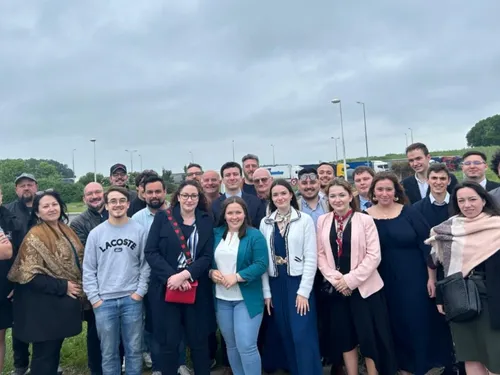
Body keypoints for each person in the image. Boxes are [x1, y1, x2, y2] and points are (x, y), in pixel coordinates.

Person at [366, 172, 454, 375]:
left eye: (389, 189)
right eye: (380, 189)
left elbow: (427, 247)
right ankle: (401, 367)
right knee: (392, 323)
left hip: (414, 277)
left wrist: (431, 278)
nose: (385, 193)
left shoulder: (409, 212)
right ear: (373, 193)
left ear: (396, 192)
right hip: (382, 279)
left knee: (417, 320)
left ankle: (422, 365)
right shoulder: (364, 217)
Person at [317, 179, 397, 375]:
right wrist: (336, 280)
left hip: (365, 290)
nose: (337, 199)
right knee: (345, 339)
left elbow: (374, 255)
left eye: (341, 195)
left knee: (369, 339)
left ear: (350, 196)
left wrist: (350, 280)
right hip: (338, 291)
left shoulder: (365, 219)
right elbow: (320, 254)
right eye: (333, 196)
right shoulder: (323, 221)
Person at [426, 181, 500, 375]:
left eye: (472, 199)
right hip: (460, 298)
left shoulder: (497, 225)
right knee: (470, 354)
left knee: (496, 358)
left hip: (493, 298)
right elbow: (441, 265)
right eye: (461, 201)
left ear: (484, 201)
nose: (467, 205)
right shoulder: (448, 230)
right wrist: (442, 299)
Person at [8, 190, 84, 375]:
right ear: (37, 212)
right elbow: (28, 275)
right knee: (44, 356)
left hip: (57, 306)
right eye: (46, 206)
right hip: (41, 307)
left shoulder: (65, 229)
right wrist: (63, 286)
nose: (51, 209)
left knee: (53, 353)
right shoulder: (35, 236)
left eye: (54, 204)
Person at [145, 181, 214, 375]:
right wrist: (172, 277)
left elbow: (207, 256)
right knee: (169, 342)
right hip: (166, 289)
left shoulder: (206, 219)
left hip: (197, 289)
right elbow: (151, 251)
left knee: (199, 342)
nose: (189, 199)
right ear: (178, 197)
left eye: (194, 196)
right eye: (185, 195)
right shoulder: (162, 218)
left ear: (199, 198)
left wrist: (185, 275)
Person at [83, 187, 150, 375]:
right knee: (108, 352)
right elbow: (88, 269)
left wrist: (139, 292)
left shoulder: (139, 231)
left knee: (134, 350)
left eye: (122, 200)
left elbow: (145, 265)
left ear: (128, 204)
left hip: (132, 299)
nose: (118, 204)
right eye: (113, 201)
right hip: (104, 301)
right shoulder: (96, 234)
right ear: (106, 205)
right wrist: (95, 298)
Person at [259, 179, 322, 375]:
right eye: (275, 195)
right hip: (276, 282)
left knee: (302, 334)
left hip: (298, 281)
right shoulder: (266, 222)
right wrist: (266, 293)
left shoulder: (304, 220)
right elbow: (263, 260)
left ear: (291, 195)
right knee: (284, 331)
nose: (280, 198)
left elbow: (311, 258)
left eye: (283, 193)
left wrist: (304, 291)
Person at [210, 196, 269, 375]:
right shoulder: (216, 234)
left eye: (238, 212)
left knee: (246, 345)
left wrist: (237, 276)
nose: (234, 216)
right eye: (230, 213)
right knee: (232, 345)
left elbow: (261, 264)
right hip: (222, 299)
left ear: (245, 214)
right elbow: (207, 261)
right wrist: (211, 272)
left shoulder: (254, 235)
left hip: (246, 299)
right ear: (224, 215)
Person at [70, 182, 108, 375]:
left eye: (98, 192)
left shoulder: (116, 213)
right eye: (90, 194)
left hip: (122, 283)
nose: (94, 196)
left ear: (104, 194)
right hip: (96, 285)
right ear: (84, 199)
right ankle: (96, 369)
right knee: (96, 330)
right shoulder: (78, 223)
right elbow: (85, 254)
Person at [0, 185, 21, 373]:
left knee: (0, 337)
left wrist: (15, 281)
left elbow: (8, 252)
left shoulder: (8, 218)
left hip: (4, 286)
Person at [212, 162, 266, 229]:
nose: (232, 178)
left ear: (241, 177)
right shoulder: (214, 205)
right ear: (222, 180)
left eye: (235, 174)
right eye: (228, 175)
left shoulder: (255, 202)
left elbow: (260, 228)